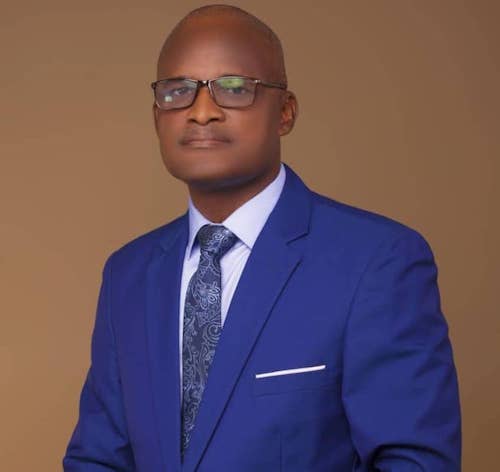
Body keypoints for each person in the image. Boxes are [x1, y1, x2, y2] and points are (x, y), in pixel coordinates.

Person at [63, 4, 461, 471]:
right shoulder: (128, 275)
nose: (202, 112)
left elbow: (414, 462)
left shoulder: (377, 262)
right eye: (179, 91)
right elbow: (98, 459)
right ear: (157, 117)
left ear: (285, 113)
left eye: (234, 88)